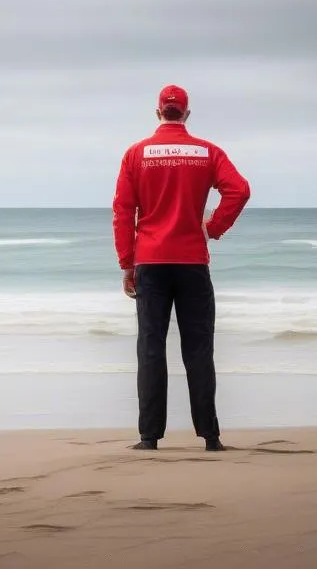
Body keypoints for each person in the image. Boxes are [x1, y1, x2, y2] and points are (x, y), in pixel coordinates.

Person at [112, 84, 251, 452]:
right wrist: (212, 228)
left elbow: (124, 211)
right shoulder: (207, 151)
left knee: (151, 348)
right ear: (186, 114)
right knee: (199, 349)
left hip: (152, 263)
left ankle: (149, 437)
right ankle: (210, 436)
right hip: (192, 262)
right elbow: (239, 190)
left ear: (158, 112)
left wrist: (128, 263)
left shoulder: (136, 154)